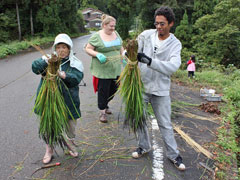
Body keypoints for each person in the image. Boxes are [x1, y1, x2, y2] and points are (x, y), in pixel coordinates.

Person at [132, 6, 186, 171]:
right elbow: (132, 50)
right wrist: (129, 54)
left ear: (171, 24)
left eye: (162, 24)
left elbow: (172, 67)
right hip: (142, 86)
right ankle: (143, 146)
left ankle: (173, 155)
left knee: (165, 123)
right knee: (139, 119)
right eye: (156, 23)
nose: (159, 27)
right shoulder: (146, 35)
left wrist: (150, 61)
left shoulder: (175, 44)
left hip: (161, 90)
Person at [32, 33, 84, 164]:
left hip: (68, 100)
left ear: (69, 49)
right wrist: (44, 61)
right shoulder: (48, 59)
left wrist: (64, 75)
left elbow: (76, 79)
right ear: (55, 48)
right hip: (49, 100)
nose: (61, 50)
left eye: (64, 47)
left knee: (70, 126)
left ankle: (69, 146)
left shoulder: (74, 63)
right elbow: (35, 68)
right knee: (50, 125)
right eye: (58, 47)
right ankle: (49, 150)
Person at [85, 14, 125, 123]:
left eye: (114, 26)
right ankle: (102, 112)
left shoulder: (115, 33)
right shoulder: (97, 36)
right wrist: (97, 54)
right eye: (111, 26)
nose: (113, 28)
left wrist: (124, 56)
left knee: (114, 89)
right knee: (103, 90)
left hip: (115, 69)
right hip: (103, 69)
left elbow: (120, 46)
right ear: (104, 25)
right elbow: (88, 49)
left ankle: (105, 104)